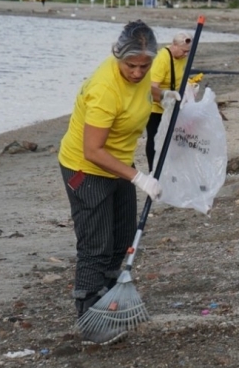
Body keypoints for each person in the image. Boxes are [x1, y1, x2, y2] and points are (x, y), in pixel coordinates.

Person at [58, 20, 170, 345]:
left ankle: (106, 297)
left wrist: (168, 95)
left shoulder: (143, 70)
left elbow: (145, 86)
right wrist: (139, 178)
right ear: (117, 55)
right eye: (130, 65)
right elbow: (92, 150)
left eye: (144, 66)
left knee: (123, 237)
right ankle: (89, 319)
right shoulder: (104, 89)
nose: (137, 72)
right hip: (86, 168)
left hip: (119, 163)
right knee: (96, 245)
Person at [146, 32, 192, 172]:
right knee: (154, 139)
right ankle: (153, 170)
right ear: (174, 45)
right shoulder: (162, 59)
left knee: (173, 139)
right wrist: (165, 98)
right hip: (156, 107)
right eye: (184, 51)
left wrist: (190, 86)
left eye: (188, 52)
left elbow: (180, 77)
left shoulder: (182, 57)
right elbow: (151, 88)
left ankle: (171, 167)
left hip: (174, 105)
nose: (185, 55)